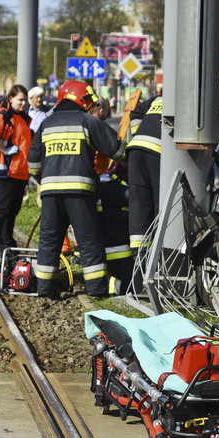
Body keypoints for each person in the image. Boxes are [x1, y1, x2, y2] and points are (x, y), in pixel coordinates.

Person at [28, 80, 123, 299]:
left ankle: (45, 289)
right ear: (82, 99)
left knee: (49, 240)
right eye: (89, 101)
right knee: (88, 239)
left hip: (50, 193)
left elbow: (33, 164)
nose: (91, 106)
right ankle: (97, 289)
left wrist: (47, 180)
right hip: (80, 193)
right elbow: (116, 150)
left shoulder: (46, 124)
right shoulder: (88, 122)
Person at [0, 84, 32, 261]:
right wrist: (5, 150)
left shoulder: (22, 118)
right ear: (10, 99)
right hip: (6, 170)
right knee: (3, 208)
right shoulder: (4, 115)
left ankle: (6, 241)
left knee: (13, 209)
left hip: (19, 171)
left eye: (25, 100)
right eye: (20, 99)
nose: (24, 103)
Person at [89, 96, 132, 294]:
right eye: (106, 109)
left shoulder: (88, 124)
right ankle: (105, 283)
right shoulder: (95, 127)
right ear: (101, 110)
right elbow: (115, 153)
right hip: (99, 184)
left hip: (96, 186)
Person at [125, 95, 162, 281]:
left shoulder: (159, 98)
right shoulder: (188, 101)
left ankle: (139, 263)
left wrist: (138, 133)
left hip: (136, 149)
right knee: (159, 205)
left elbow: (136, 111)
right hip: (158, 152)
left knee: (139, 205)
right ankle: (158, 257)